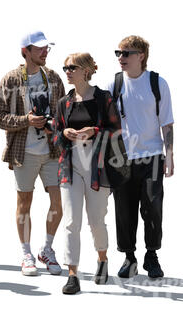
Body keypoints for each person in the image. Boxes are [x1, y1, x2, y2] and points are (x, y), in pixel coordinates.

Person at [0, 31, 66, 276]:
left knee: (58, 203)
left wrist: (52, 125)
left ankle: (47, 249)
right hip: (24, 152)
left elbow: (65, 113)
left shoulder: (53, 78)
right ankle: (26, 253)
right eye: (40, 48)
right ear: (25, 51)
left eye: (47, 48)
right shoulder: (11, 79)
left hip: (52, 151)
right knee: (24, 203)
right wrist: (27, 120)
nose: (45, 52)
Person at [106, 35, 174, 279]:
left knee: (153, 207)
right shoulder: (113, 84)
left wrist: (170, 154)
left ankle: (151, 255)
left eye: (126, 53)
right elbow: (105, 124)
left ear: (141, 55)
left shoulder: (157, 83)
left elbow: (166, 122)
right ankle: (129, 257)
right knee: (124, 210)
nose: (120, 58)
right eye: (118, 53)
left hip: (152, 155)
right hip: (121, 158)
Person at [53, 53, 122, 294]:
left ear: (86, 70)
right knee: (72, 222)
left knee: (96, 221)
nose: (67, 71)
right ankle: (72, 273)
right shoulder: (64, 102)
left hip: (98, 168)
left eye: (72, 67)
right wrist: (64, 134)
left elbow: (117, 130)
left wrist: (94, 130)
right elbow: (55, 133)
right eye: (65, 68)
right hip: (70, 168)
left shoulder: (103, 98)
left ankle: (102, 259)